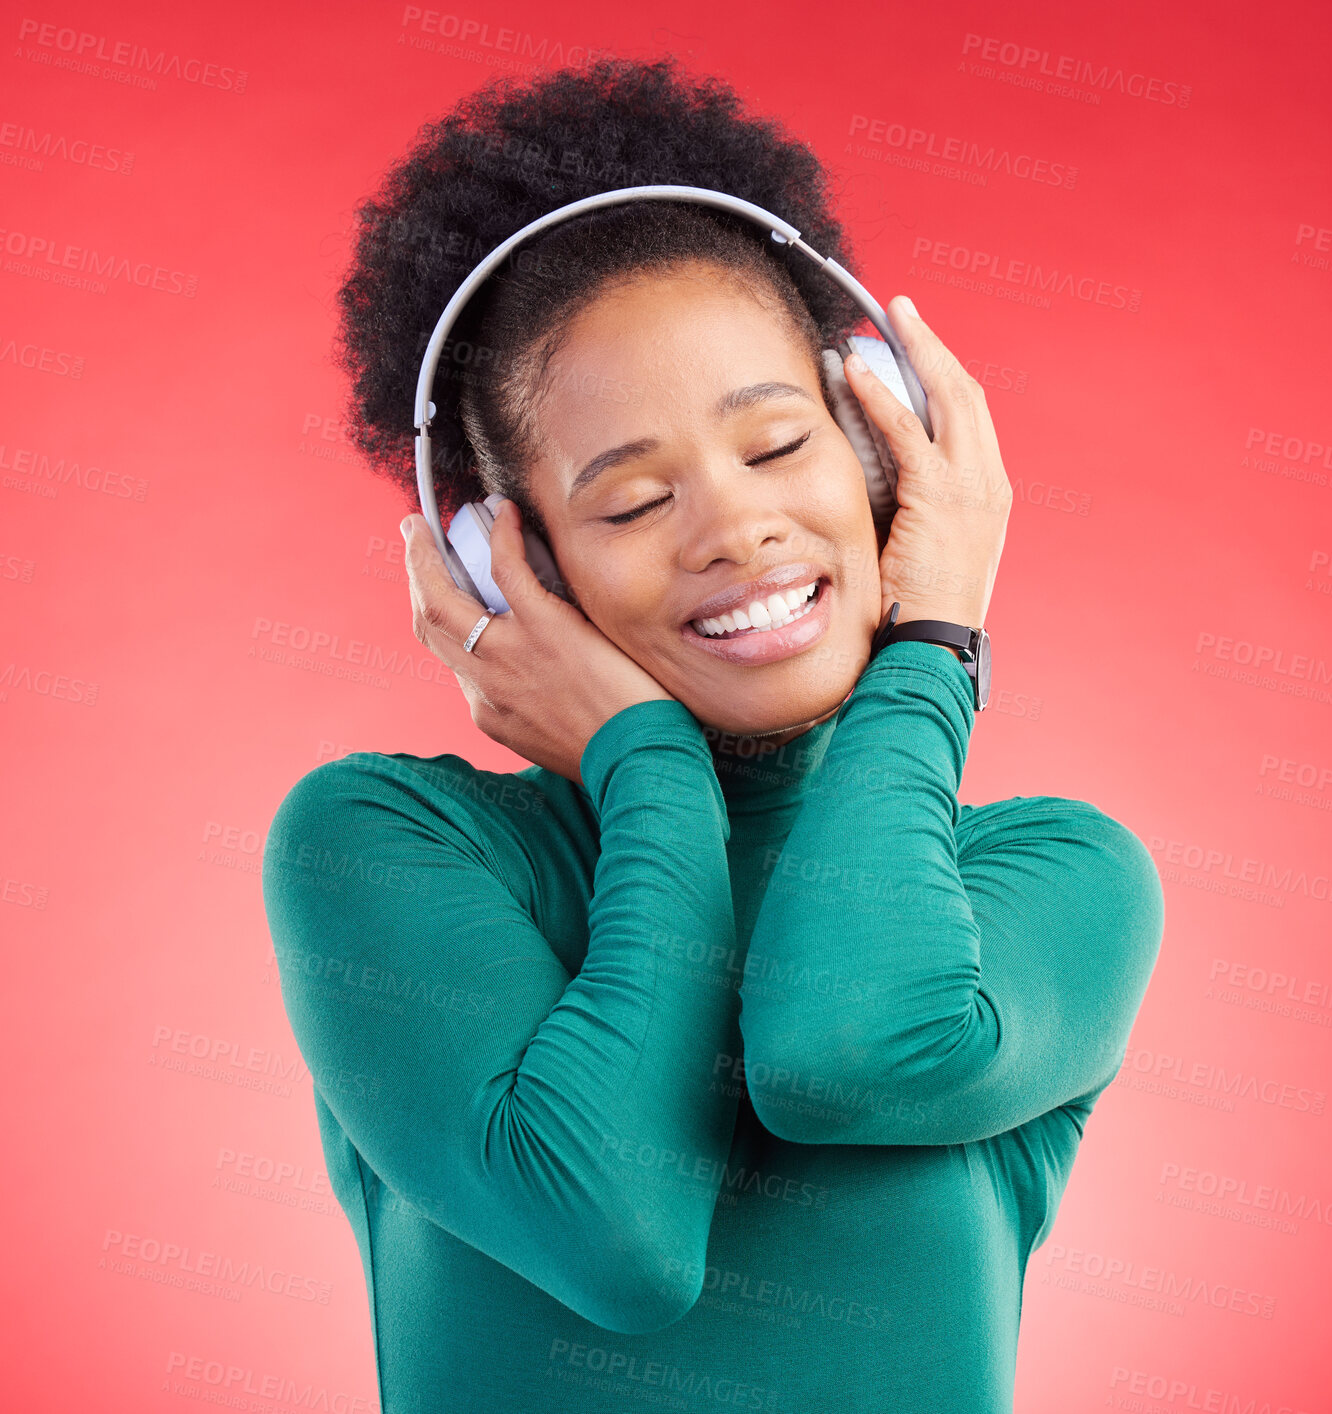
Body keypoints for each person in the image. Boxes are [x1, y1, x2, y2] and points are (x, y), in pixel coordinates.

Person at [262, 56, 1164, 1414]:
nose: (734, 527)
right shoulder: (386, 843)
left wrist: (933, 638)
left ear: (886, 443)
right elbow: (612, 1237)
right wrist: (647, 760)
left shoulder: (1053, 878)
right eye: (628, 504)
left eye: (780, 443)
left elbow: (843, 1048)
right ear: (515, 564)